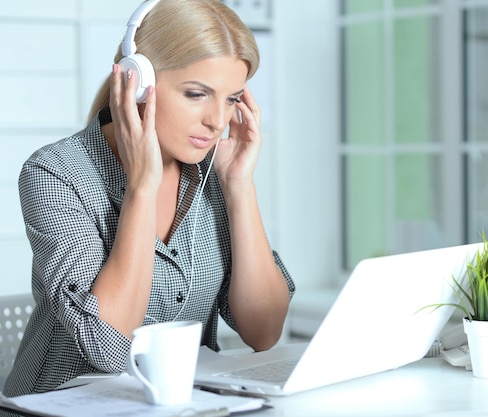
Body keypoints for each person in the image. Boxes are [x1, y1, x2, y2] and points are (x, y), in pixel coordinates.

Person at [3, 0, 295, 397]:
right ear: (134, 81)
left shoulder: (213, 172)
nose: (218, 121)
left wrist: (240, 187)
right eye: (196, 94)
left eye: (230, 99)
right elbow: (108, 347)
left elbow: (264, 332)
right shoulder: (55, 173)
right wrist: (142, 185)